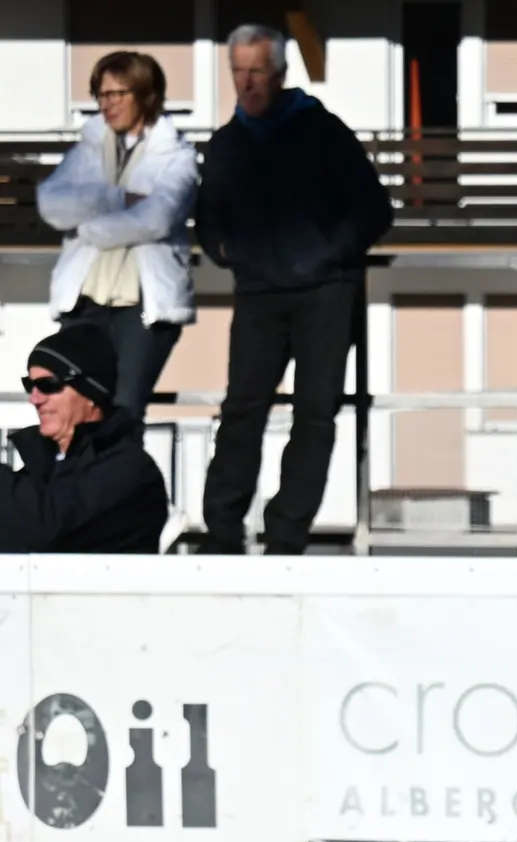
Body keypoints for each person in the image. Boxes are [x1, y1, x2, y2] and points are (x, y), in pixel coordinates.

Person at [191, 23, 392, 556]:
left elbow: (374, 209)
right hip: (258, 294)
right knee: (241, 411)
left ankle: (287, 535)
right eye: (238, 71)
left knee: (314, 414)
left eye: (257, 70)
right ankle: (222, 531)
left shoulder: (321, 131)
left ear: (280, 74)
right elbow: (207, 221)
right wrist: (229, 253)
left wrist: (327, 253)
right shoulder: (228, 142)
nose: (247, 82)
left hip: (325, 292)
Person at [38, 50, 196, 429]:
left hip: (142, 304)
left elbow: (157, 218)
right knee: (72, 409)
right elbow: (51, 204)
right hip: (85, 301)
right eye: (101, 95)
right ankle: (74, 489)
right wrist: (117, 199)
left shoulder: (177, 155)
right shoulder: (88, 149)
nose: (106, 104)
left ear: (145, 94)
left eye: (116, 94)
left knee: (123, 413)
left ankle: (121, 489)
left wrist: (90, 229)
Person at [0, 324, 169, 553]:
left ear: (90, 393)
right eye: (30, 385)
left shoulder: (131, 471)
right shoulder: (41, 468)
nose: (35, 398)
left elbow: (44, 530)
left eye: (47, 385)